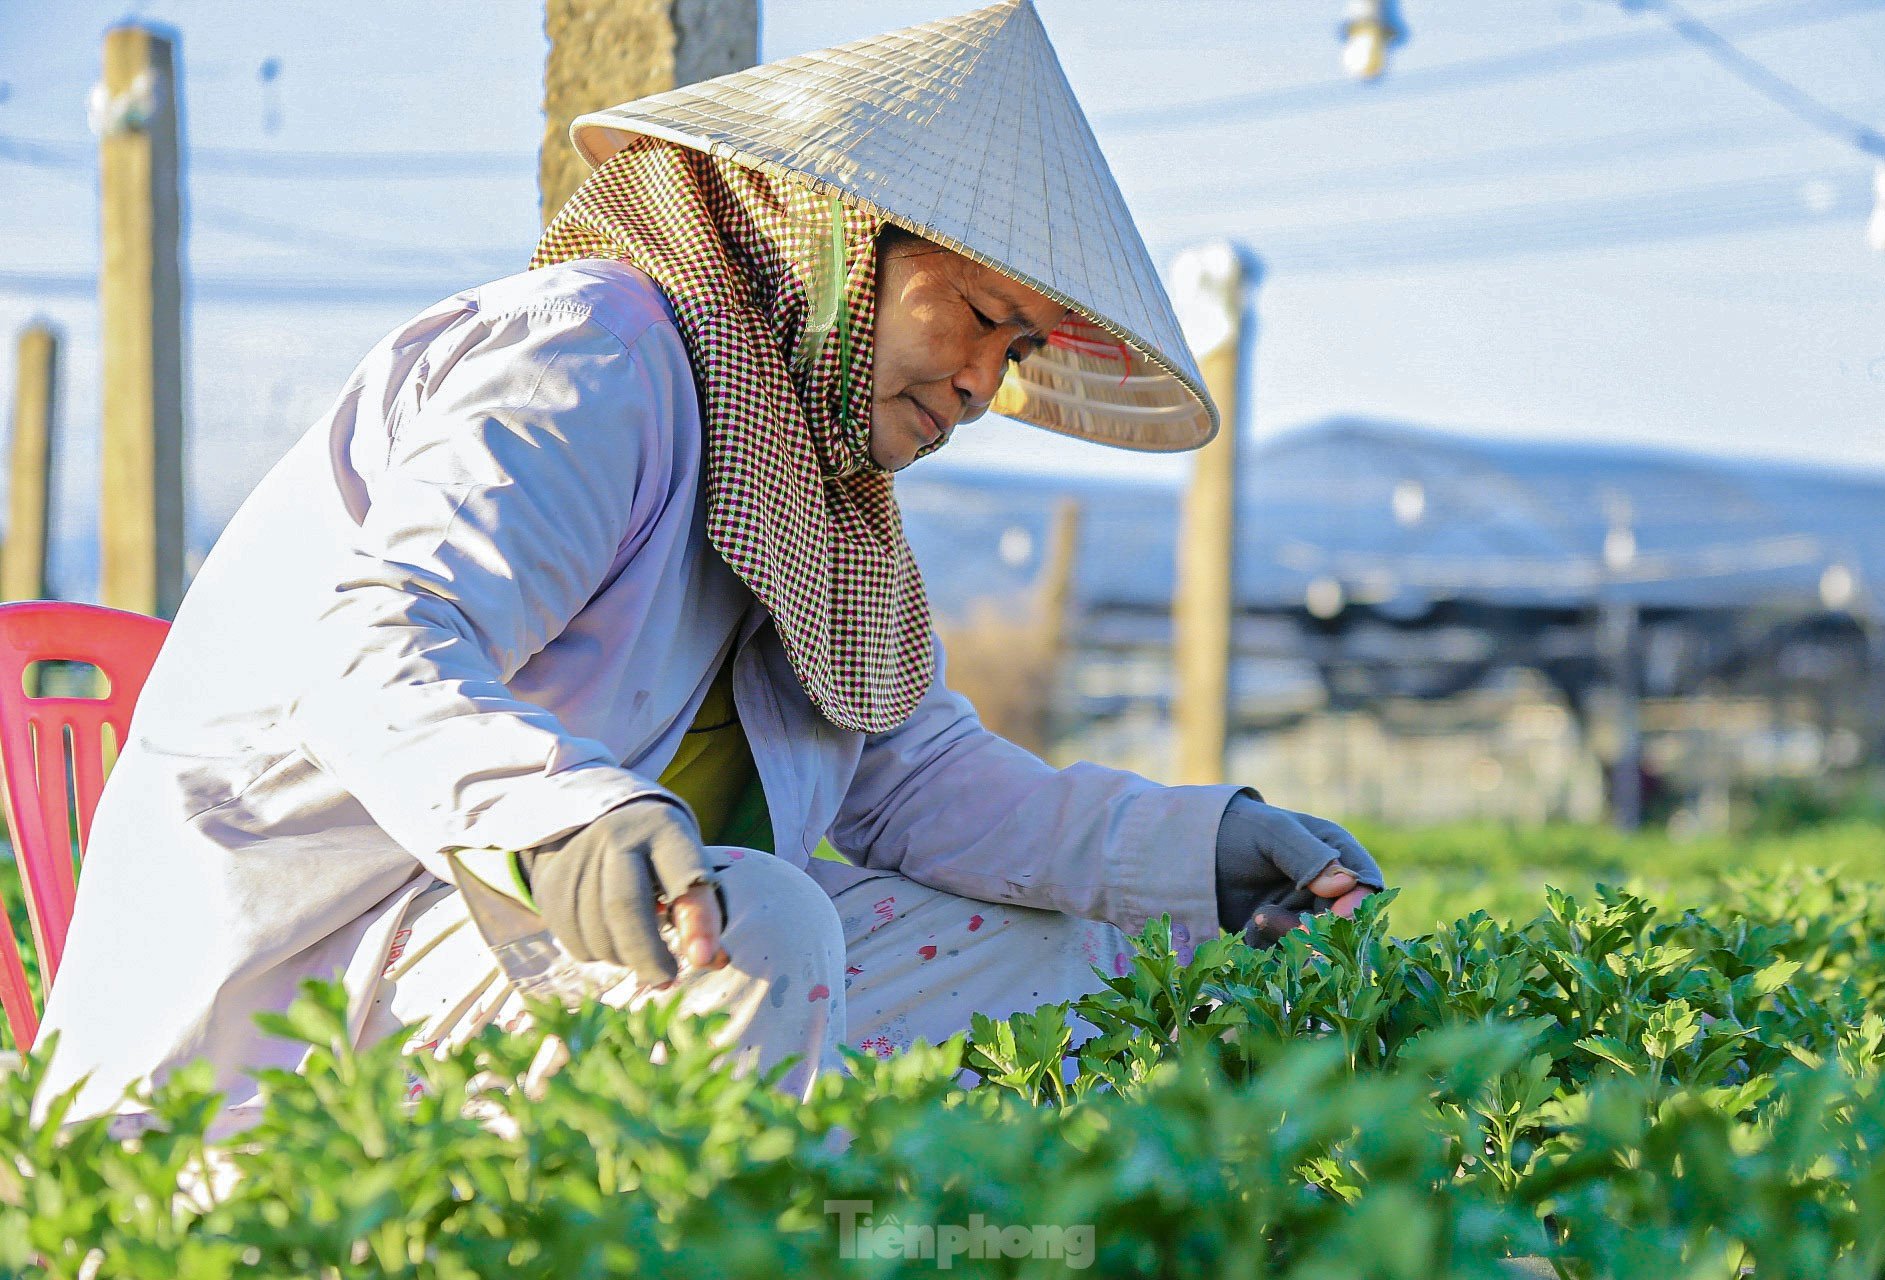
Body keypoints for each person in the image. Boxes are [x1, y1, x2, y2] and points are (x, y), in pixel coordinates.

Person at [34, 0, 1382, 1136]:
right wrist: (561, 816)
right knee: (763, 930)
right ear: (842, 237)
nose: (981, 383)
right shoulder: (592, 361)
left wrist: (1203, 853)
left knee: (1093, 953)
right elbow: (372, 653)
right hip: (297, 993)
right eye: (974, 315)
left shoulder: (818, 496)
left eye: (1017, 350)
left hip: (515, 978)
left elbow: (923, 786)